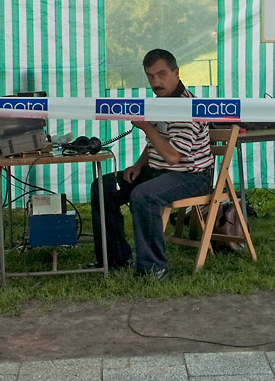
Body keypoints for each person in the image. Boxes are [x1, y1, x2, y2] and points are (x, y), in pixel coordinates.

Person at [90, 49, 213, 280]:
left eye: (161, 74)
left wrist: (146, 126)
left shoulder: (188, 107)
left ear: (176, 72)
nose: (156, 82)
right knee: (103, 187)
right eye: (150, 76)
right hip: (159, 172)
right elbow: (158, 143)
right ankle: (115, 258)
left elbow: (173, 156)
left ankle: (154, 269)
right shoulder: (160, 103)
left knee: (143, 195)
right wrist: (138, 165)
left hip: (191, 177)